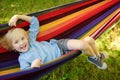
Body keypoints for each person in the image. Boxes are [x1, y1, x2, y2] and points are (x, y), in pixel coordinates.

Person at [0, 15, 107, 70]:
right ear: (12, 47)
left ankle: (96, 58)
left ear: (27, 38)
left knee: (89, 40)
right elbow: (25, 73)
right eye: (17, 42)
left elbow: (34, 21)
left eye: (23, 38)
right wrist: (32, 67)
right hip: (60, 56)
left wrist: (18, 16)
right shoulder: (23, 59)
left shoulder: (31, 40)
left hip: (59, 45)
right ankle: (96, 58)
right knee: (86, 42)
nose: (22, 43)